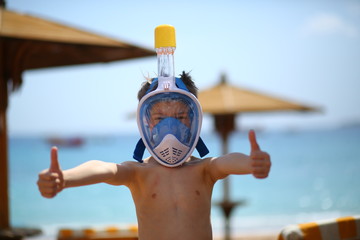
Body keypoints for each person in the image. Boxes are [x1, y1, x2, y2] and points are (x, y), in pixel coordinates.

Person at [37, 71, 271, 240]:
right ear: (145, 123)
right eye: (159, 119)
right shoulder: (137, 173)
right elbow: (104, 169)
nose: (170, 128)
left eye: (180, 118)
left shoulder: (203, 170)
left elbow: (227, 162)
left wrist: (251, 163)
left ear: (194, 120)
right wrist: (65, 178)